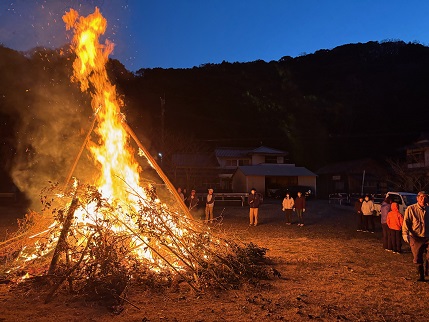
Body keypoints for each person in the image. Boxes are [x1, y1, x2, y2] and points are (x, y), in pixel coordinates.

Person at [402, 191, 429, 281]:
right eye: (421, 197)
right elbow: (406, 222)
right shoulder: (411, 209)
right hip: (416, 237)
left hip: (428, 236)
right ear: (417, 198)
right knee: (418, 257)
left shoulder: (428, 209)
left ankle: (427, 272)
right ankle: (420, 275)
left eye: (425, 197)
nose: (423, 199)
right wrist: (405, 234)